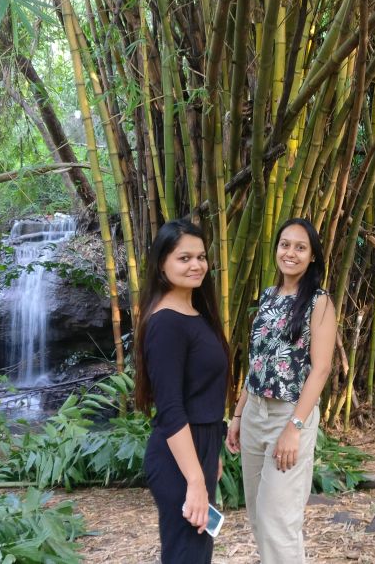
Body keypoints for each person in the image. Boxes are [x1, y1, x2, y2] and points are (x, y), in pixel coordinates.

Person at [226, 217, 337, 563]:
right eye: (285, 244)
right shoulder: (268, 296)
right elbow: (257, 362)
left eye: (300, 247)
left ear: (313, 256)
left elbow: (321, 369)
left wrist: (294, 427)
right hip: (255, 413)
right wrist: (238, 415)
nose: (290, 252)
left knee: (278, 520)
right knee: (259, 517)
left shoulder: (319, 302)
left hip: (289, 415)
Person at [134, 219, 230, 564]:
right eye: (184, 258)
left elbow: (200, 394)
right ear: (162, 264)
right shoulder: (166, 323)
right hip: (178, 458)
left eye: (201, 257)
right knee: (186, 555)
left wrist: (211, 454)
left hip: (199, 446)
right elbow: (171, 408)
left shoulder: (194, 313)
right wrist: (194, 479)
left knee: (196, 553)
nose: (196, 265)